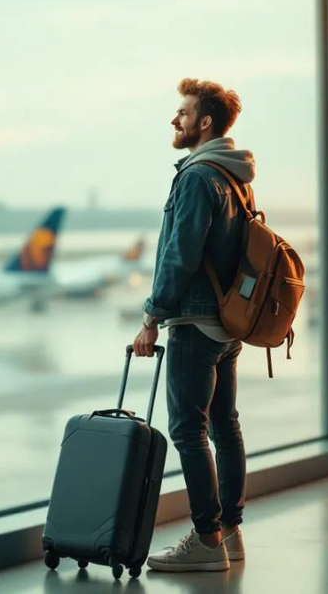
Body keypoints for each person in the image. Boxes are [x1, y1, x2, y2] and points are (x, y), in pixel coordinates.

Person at [133, 78, 254, 572]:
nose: (174, 119)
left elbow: (180, 255)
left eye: (182, 112)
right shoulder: (235, 176)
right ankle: (230, 532)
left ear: (204, 121)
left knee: (189, 431)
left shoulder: (197, 177)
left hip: (196, 324)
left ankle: (206, 541)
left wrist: (152, 317)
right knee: (225, 427)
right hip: (227, 325)